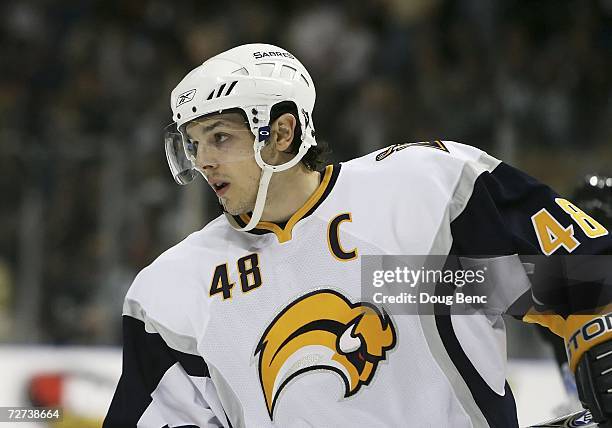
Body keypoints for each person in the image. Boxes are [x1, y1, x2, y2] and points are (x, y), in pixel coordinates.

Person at [103, 43, 612, 428]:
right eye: (193, 144)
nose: (205, 160)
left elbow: (579, 283)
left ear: (281, 133)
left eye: (220, 137)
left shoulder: (419, 194)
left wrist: (597, 331)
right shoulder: (173, 291)